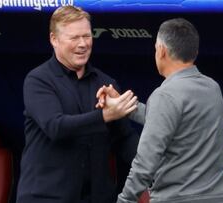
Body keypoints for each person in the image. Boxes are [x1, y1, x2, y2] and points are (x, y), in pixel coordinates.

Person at [97, 18, 223, 203]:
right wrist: (125, 105)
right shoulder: (212, 87)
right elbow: (174, 121)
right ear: (195, 52)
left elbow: (145, 162)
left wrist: (125, 200)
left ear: (161, 50)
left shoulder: (165, 95)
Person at [16, 6, 140, 203]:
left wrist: (157, 164)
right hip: (45, 198)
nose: (83, 44)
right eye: (74, 38)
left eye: (87, 36)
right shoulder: (38, 80)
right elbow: (56, 127)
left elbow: (124, 139)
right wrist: (104, 116)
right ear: (54, 39)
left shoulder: (106, 84)